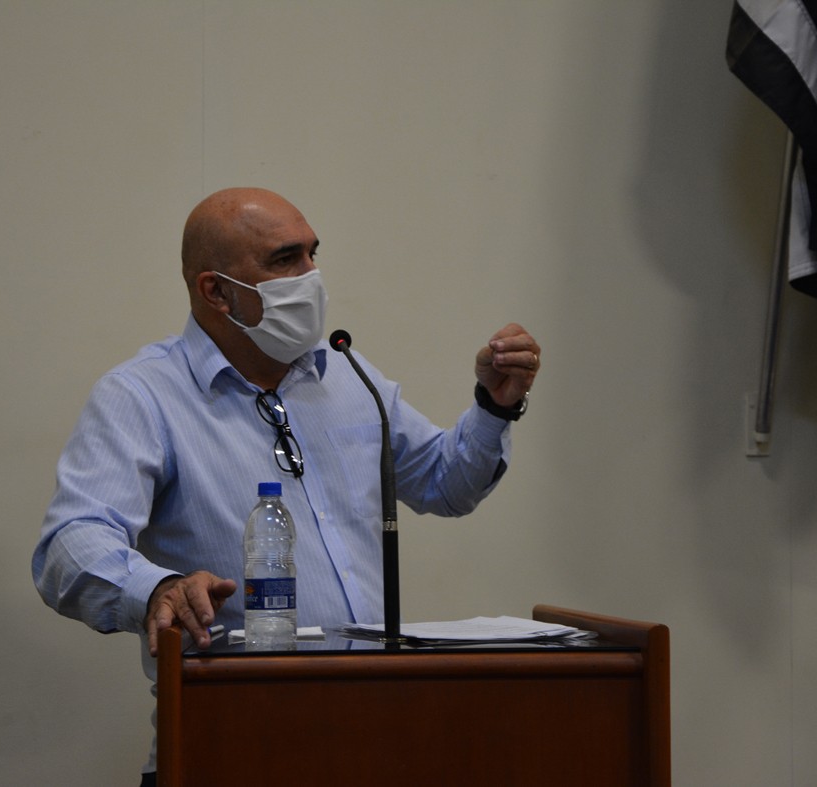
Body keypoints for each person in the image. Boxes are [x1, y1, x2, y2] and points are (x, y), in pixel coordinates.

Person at [32, 187, 541, 784]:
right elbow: (70, 545)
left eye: (311, 253)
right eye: (284, 260)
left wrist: (494, 408)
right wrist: (157, 589)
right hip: (232, 749)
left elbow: (445, 483)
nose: (310, 275)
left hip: (376, 738)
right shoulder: (143, 395)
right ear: (215, 291)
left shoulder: (347, 375)